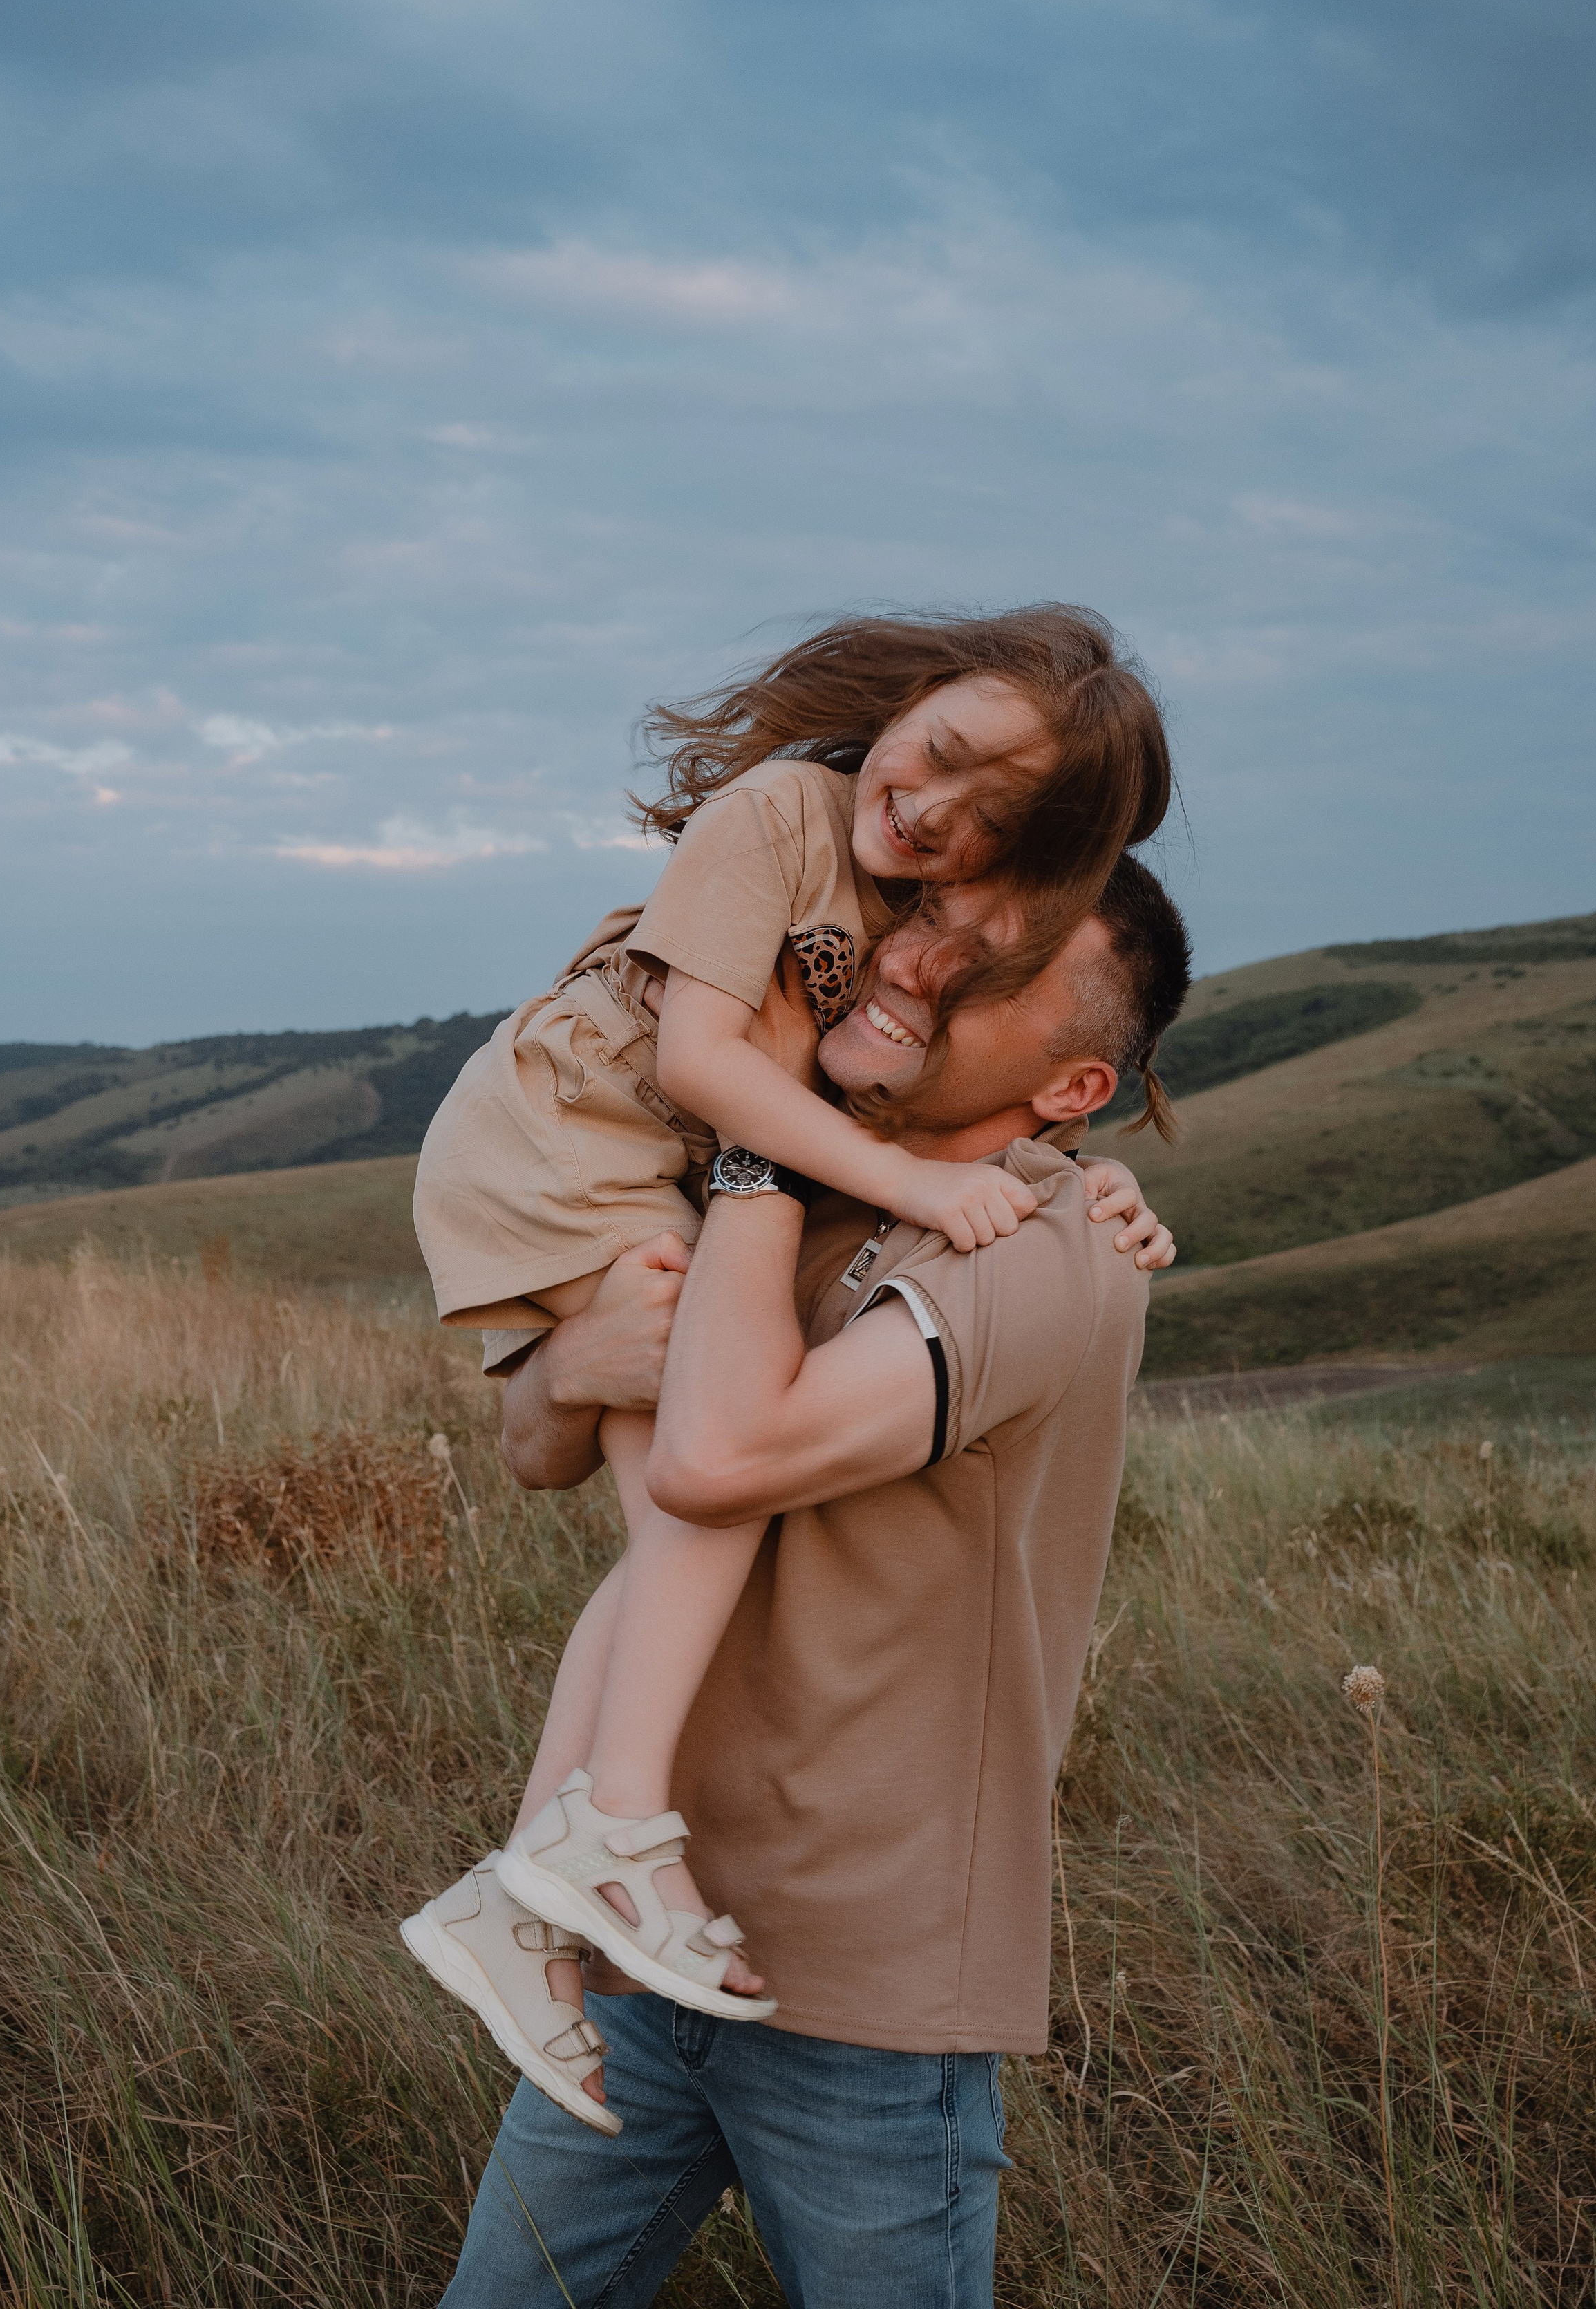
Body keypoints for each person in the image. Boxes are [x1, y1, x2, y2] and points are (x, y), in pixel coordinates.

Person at [427, 850, 1191, 2308]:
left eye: (994, 969)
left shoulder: (1048, 1251)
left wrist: (754, 1124)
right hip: (649, 1932)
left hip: (861, 1990)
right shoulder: (796, 1181)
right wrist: (581, 1360)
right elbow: (539, 1445)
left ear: (1072, 1088)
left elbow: (719, 1459)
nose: (916, 964)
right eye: (931, 925)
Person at [404, 608, 1172, 2057]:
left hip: (639, 1161)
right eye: (935, 752)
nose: (933, 819)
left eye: (986, 827)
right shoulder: (782, 813)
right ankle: (611, 1827)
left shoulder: (895, 907)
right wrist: (914, 1181)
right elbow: (705, 1061)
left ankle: (523, 1899)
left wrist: (1079, 1185)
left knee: (668, 1556)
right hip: (573, 1141)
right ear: (906, 699)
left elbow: (993, 1076)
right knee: (697, 1526)